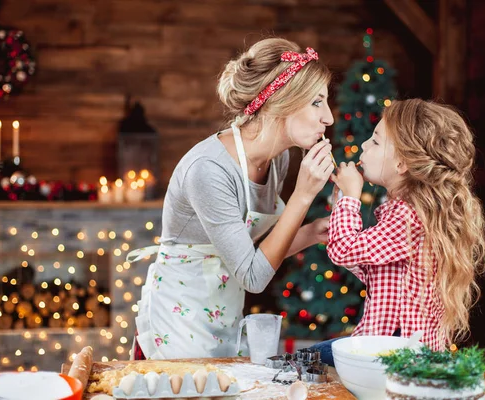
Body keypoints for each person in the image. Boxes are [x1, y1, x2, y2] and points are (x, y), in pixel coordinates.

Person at [127, 38, 335, 360]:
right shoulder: (209, 170)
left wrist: (311, 233)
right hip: (179, 320)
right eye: (317, 102)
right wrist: (303, 196)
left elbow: (255, 255)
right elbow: (253, 277)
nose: (329, 118)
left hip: (224, 313)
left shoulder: (276, 159)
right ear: (282, 100)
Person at [311, 99, 485, 366]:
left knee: (301, 362)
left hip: (394, 352)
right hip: (399, 347)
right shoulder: (412, 213)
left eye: (375, 141)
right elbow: (376, 269)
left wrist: (351, 197)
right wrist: (342, 210)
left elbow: (343, 250)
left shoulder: (407, 216)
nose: (363, 146)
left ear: (402, 163)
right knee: (311, 359)